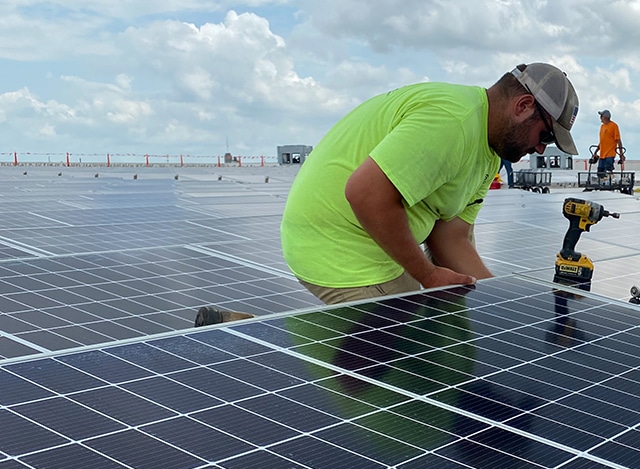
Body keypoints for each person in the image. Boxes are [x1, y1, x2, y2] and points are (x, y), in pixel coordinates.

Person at [195, 62, 579, 325]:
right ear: (523, 105)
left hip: (374, 232)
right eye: (545, 136)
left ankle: (251, 334)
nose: (542, 149)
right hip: (339, 239)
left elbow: (452, 237)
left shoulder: (490, 152)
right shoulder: (453, 123)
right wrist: (426, 275)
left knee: (457, 328)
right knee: (412, 357)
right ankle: (248, 338)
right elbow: (364, 193)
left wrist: (501, 303)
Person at [594, 109, 622, 178]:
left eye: (601, 116)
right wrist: (595, 152)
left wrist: (621, 154)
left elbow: (618, 140)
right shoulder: (602, 127)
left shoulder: (614, 126)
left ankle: (610, 181)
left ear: (605, 117)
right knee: (600, 172)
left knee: (608, 170)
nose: (600, 118)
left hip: (610, 154)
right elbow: (602, 141)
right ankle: (603, 184)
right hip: (602, 155)